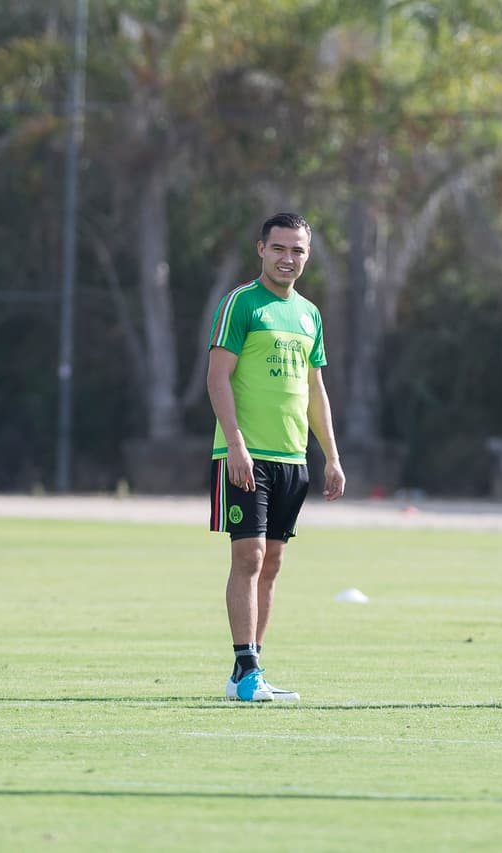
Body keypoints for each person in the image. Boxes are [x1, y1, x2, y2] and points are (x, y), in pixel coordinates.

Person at [206, 212, 346, 703]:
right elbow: (217, 377)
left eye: (297, 250)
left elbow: (315, 389)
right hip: (245, 455)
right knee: (249, 556)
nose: (288, 258)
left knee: (272, 564)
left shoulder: (309, 314)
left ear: (307, 256)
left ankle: (249, 670)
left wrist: (331, 456)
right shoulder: (241, 303)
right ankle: (247, 671)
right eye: (280, 248)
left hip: (292, 458)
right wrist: (235, 444)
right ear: (261, 249)